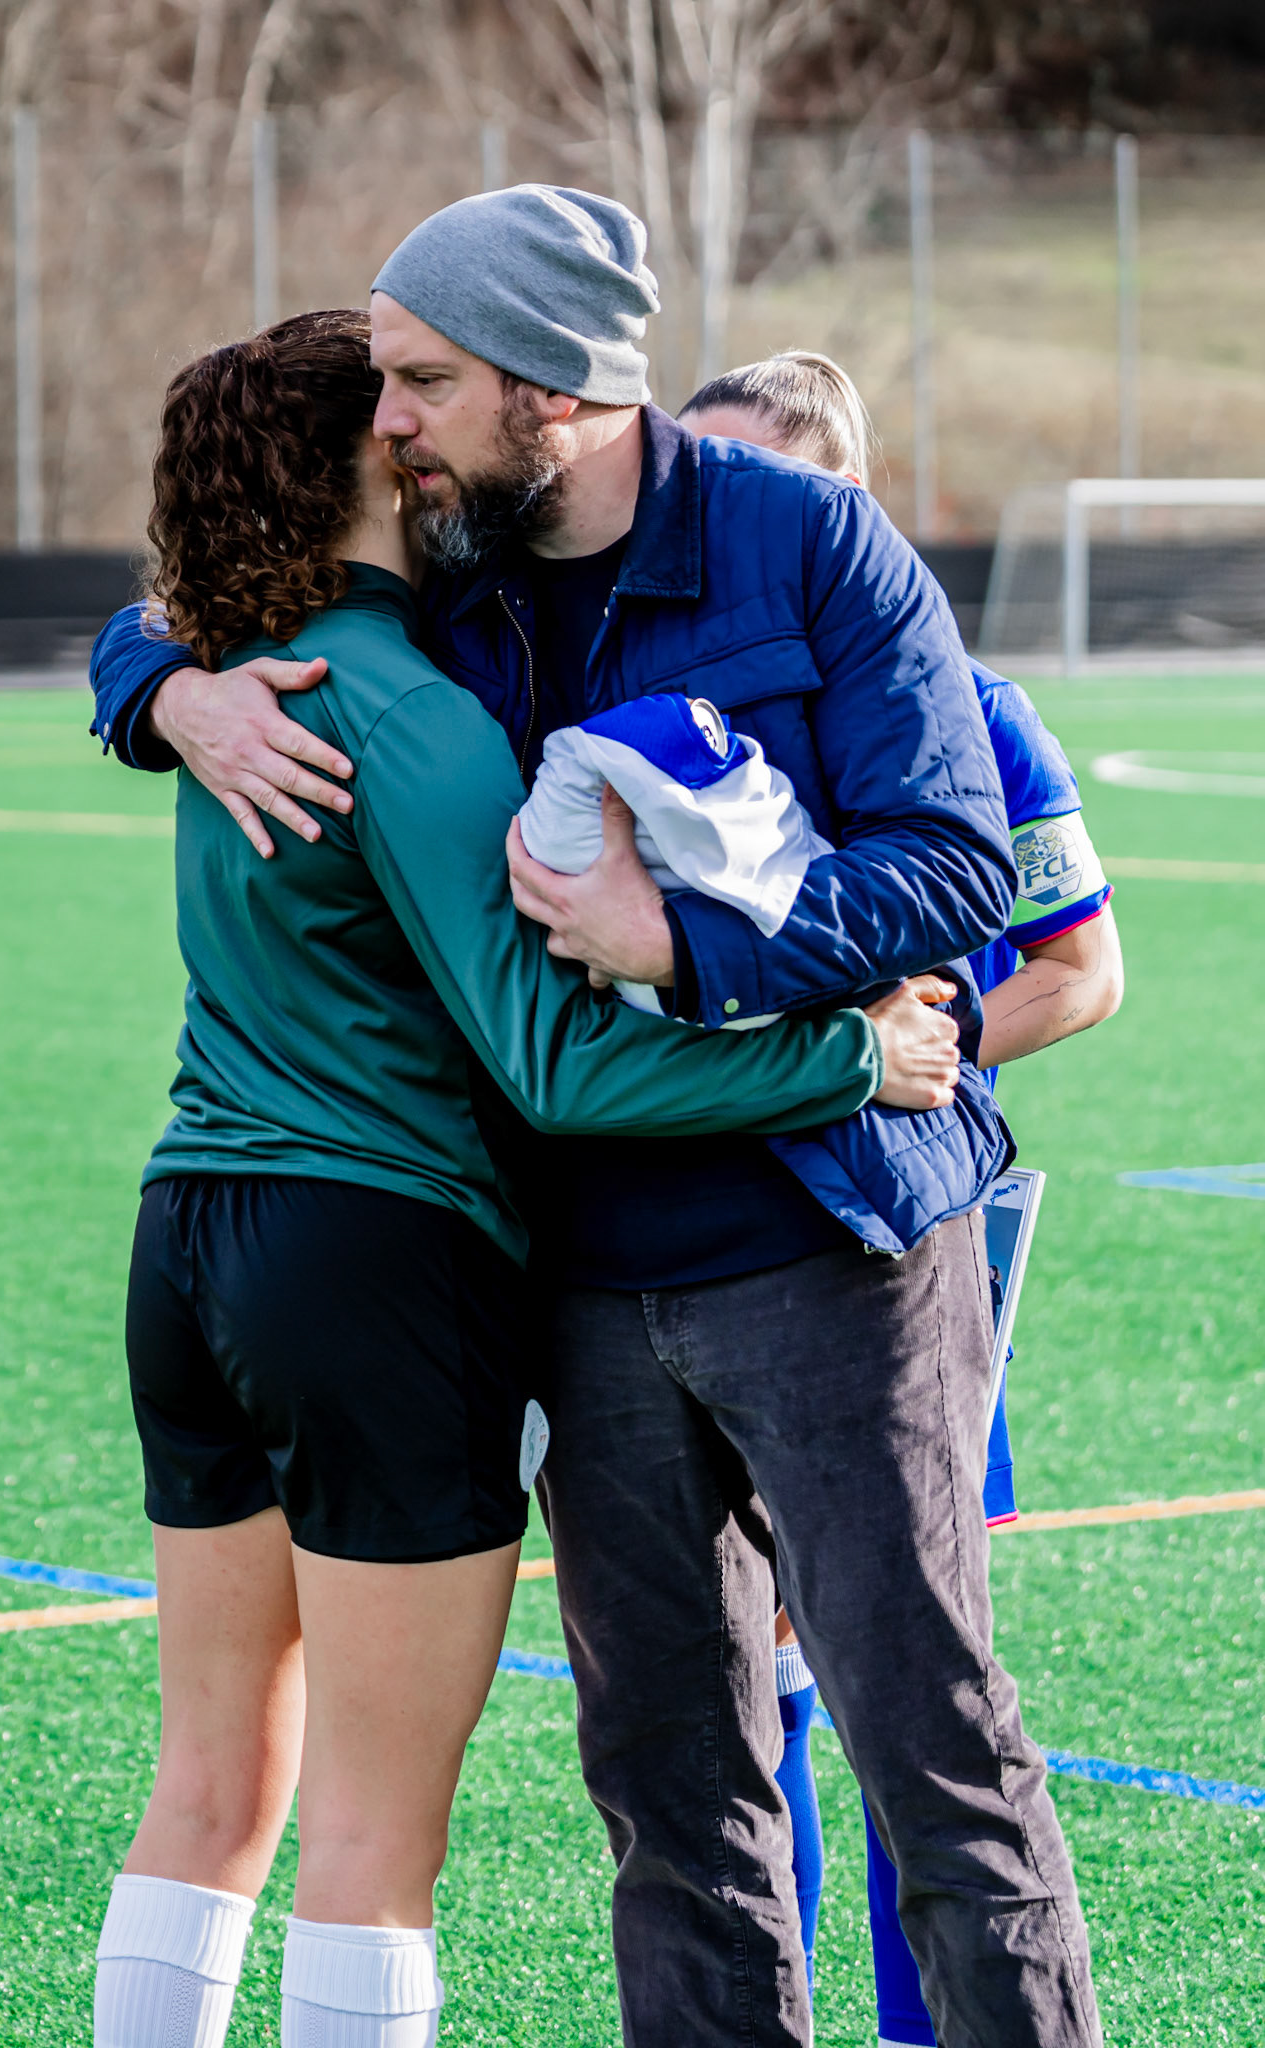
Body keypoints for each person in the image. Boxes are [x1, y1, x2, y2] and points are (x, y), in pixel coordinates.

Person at [89, 186, 1105, 2048]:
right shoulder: (444, 561)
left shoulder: (817, 552)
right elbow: (178, 595)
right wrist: (167, 695)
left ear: (551, 390)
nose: (381, 418)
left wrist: (696, 942)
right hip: (572, 1273)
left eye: (419, 380)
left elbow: (956, 861)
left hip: (833, 1247)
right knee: (671, 1798)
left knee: (928, 1757)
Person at [677, 347, 1123, 2047]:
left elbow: (1080, 972)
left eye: (759, 488)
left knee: (903, 1698)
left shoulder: (965, 706)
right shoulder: (655, 689)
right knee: (734, 1704)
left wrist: (904, 1054)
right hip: (678, 1254)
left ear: (840, 508)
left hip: (891, 1246)